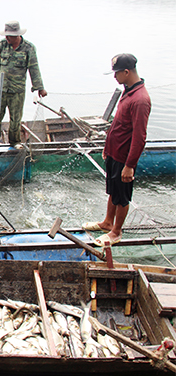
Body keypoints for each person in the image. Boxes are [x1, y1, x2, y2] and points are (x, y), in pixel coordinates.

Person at [83, 54, 151, 246]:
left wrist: (129, 165)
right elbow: (117, 124)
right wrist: (107, 147)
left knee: (122, 195)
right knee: (113, 190)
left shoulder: (140, 99)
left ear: (127, 72)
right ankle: (107, 222)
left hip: (124, 156)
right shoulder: (128, 91)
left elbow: (139, 136)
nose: (115, 77)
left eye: (117, 73)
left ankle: (116, 231)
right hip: (114, 151)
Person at [0, 21, 47, 148]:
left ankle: (14, 142)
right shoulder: (2, 45)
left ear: (17, 35)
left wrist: (40, 88)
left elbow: (34, 69)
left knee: (15, 118)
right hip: (1, 88)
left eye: (9, 36)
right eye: (6, 35)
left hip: (17, 90)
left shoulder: (28, 48)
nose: (6, 38)